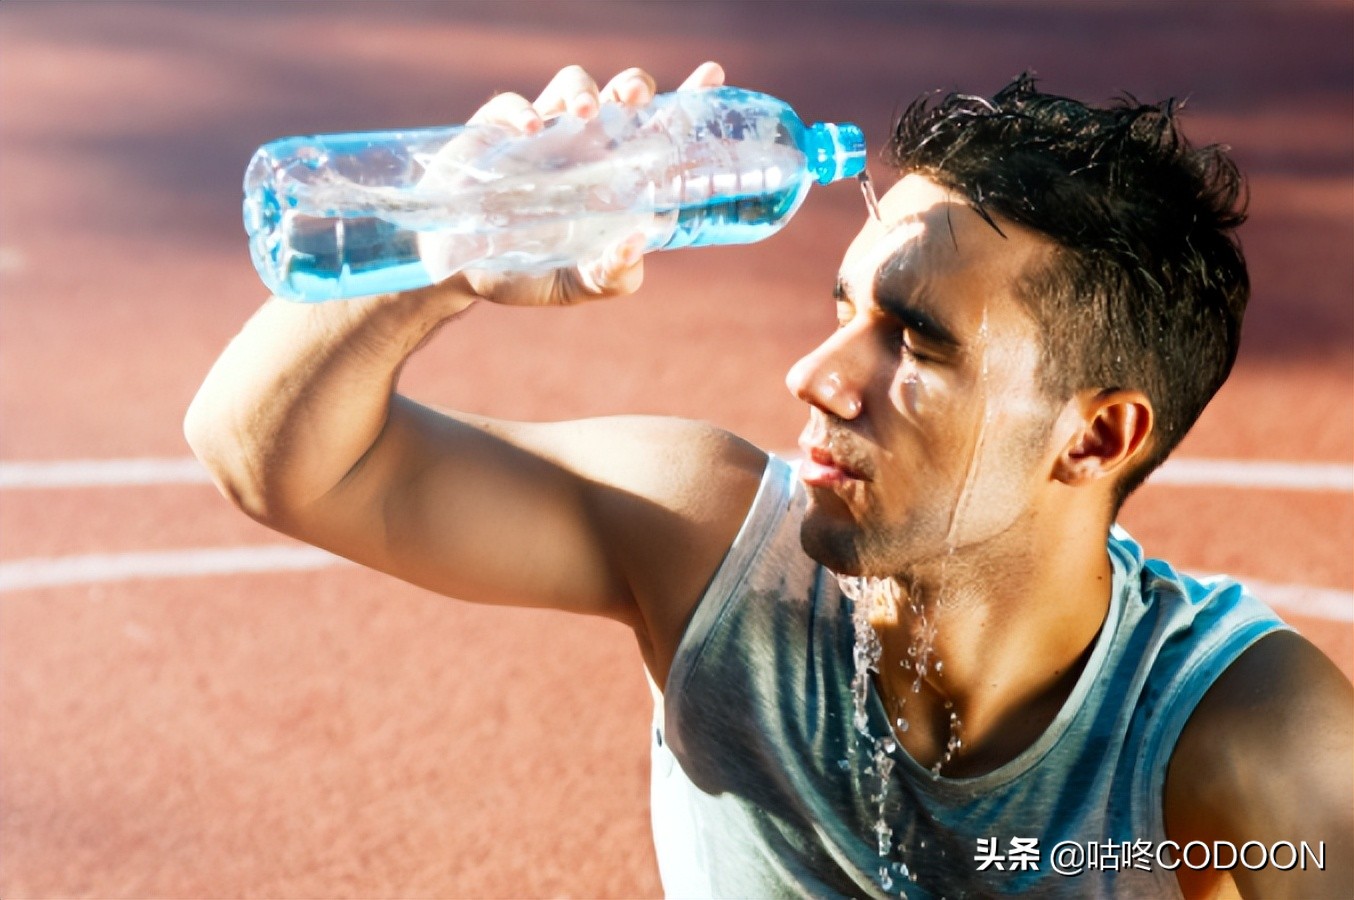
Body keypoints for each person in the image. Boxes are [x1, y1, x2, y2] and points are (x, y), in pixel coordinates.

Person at [185, 62, 1353, 898]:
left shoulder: (1245, 747)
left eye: (917, 343)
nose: (815, 374)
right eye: (841, 311)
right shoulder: (707, 549)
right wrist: (447, 242)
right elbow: (269, 457)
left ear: (1095, 440)